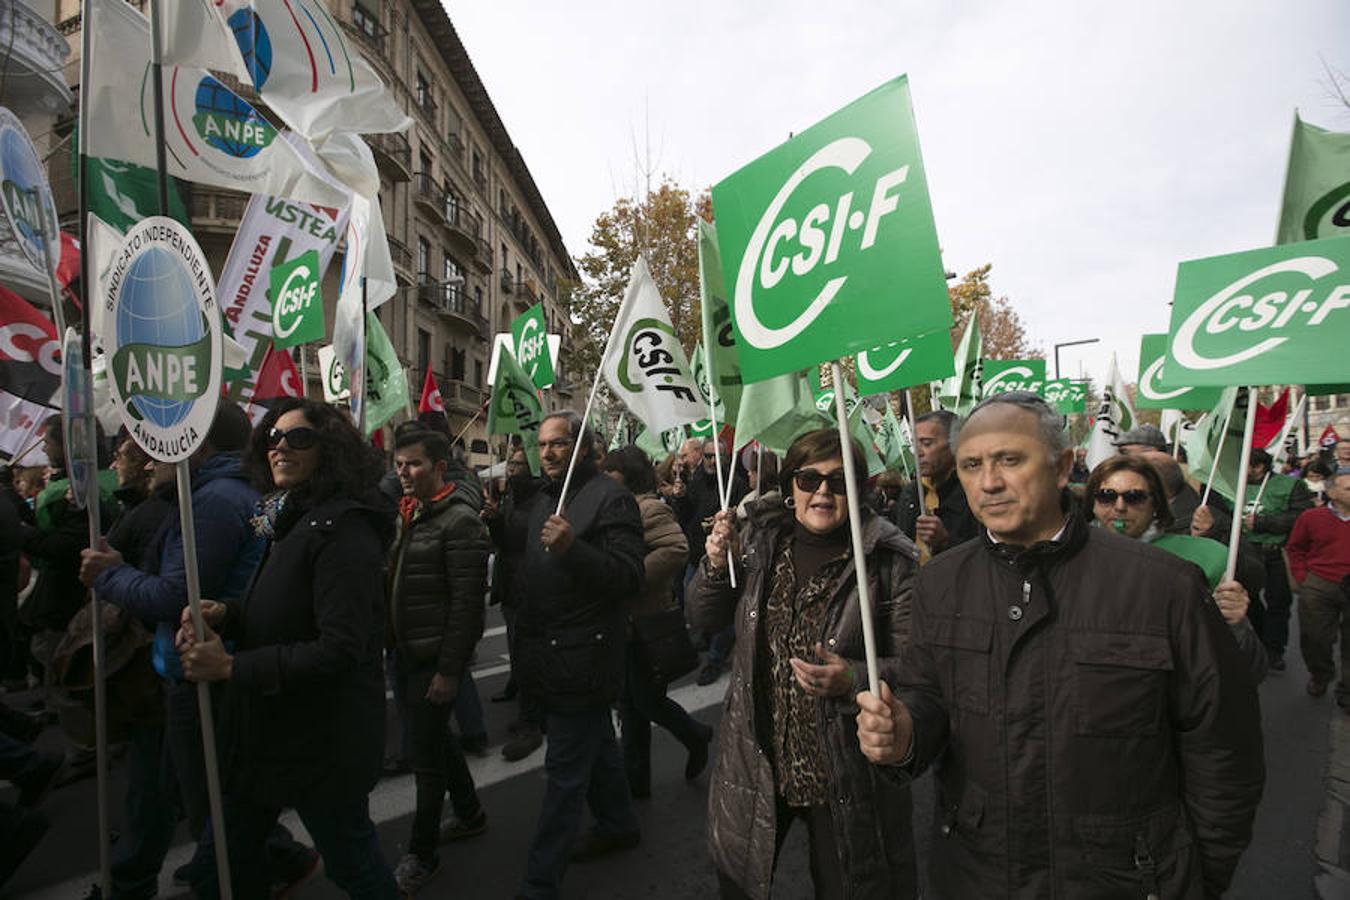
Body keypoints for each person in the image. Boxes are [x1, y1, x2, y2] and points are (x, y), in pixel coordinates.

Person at [855, 392, 1264, 899]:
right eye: (972, 465)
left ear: (1062, 464)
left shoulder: (1164, 586)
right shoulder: (941, 580)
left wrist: (1200, 875)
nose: (990, 482)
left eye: (1010, 459)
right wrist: (904, 734)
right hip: (977, 873)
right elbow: (927, 693)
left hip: (1124, 878)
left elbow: (1223, 748)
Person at [177, 398, 398, 899]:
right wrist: (226, 612)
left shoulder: (345, 530)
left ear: (332, 451)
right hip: (267, 735)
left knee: (354, 867)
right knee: (222, 871)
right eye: (273, 437)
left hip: (319, 744)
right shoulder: (297, 517)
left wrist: (233, 665)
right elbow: (286, 607)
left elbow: (340, 648)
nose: (280, 447)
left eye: (298, 438)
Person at [691, 428, 919, 899]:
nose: (821, 491)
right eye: (809, 478)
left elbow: (920, 668)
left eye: (838, 482)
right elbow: (701, 619)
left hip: (843, 773)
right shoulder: (757, 542)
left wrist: (853, 678)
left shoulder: (889, 560)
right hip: (758, 761)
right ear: (790, 486)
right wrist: (716, 566)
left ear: (860, 489)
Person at [491, 411, 644, 899]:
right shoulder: (544, 498)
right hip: (547, 651)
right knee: (594, 744)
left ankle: (539, 884)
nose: (549, 452)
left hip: (585, 656)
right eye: (543, 444)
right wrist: (498, 525)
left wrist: (574, 547)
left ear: (584, 446)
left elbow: (627, 577)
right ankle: (618, 822)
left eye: (559, 443)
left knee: (563, 775)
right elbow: (528, 551)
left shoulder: (613, 498)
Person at [386, 429, 489, 894]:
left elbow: (468, 607)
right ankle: (469, 812)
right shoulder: (411, 515)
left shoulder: (460, 522)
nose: (404, 473)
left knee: (426, 762)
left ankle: (422, 854)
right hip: (408, 653)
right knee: (435, 740)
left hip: (433, 660)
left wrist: (450, 671)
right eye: (400, 464)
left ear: (440, 467)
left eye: (414, 464)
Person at [1087, 455, 1266, 682]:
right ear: (1092, 503)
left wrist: (1237, 625)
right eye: (1106, 496)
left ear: (1157, 504)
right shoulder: (1069, 558)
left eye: (1135, 497)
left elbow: (1249, 671)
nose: (1119, 507)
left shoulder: (1205, 559)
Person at [600, 446, 712, 799]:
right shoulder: (614, 505)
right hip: (623, 625)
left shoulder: (648, 508)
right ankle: (637, 784)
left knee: (646, 702)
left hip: (647, 622)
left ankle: (695, 735)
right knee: (629, 708)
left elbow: (676, 549)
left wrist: (628, 576)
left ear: (628, 474)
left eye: (612, 471)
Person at [1219, 447, 1313, 671]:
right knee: (1246, 600)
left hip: (1276, 553)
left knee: (1278, 603)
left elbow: (1302, 516)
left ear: (1259, 467)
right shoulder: (1231, 486)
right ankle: (1259, 640)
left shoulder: (1291, 485)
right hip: (1245, 552)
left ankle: (1274, 649)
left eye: (1245, 466)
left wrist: (1264, 523)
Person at [487, 446, 549, 763]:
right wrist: (495, 520)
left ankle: (532, 723)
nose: (512, 470)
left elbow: (520, 540)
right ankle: (528, 707)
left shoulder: (540, 499)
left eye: (519, 465)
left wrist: (499, 522)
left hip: (530, 588)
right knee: (518, 650)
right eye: (510, 464)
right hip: (512, 585)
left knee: (529, 658)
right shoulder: (512, 495)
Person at [673, 438, 748, 685]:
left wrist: (730, 519)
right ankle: (703, 639)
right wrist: (681, 498)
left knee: (724, 609)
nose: (713, 461)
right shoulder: (695, 482)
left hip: (725, 558)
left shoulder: (735, 484)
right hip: (697, 555)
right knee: (693, 602)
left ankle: (715, 660)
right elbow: (686, 516)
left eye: (718, 456)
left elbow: (745, 521)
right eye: (708, 456)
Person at [1287, 466, 1350, 708]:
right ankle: (1321, 674)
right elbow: (1295, 548)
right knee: (1316, 638)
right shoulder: (1311, 518)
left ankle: (1346, 690)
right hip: (1319, 584)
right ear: (1332, 492)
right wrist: (1303, 578)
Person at [889, 410, 979, 563]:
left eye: (926, 443)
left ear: (955, 444)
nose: (917, 452)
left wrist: (945, 542)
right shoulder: (911, 493)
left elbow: (986, 558)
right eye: (914, 443)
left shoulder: (975, 491)